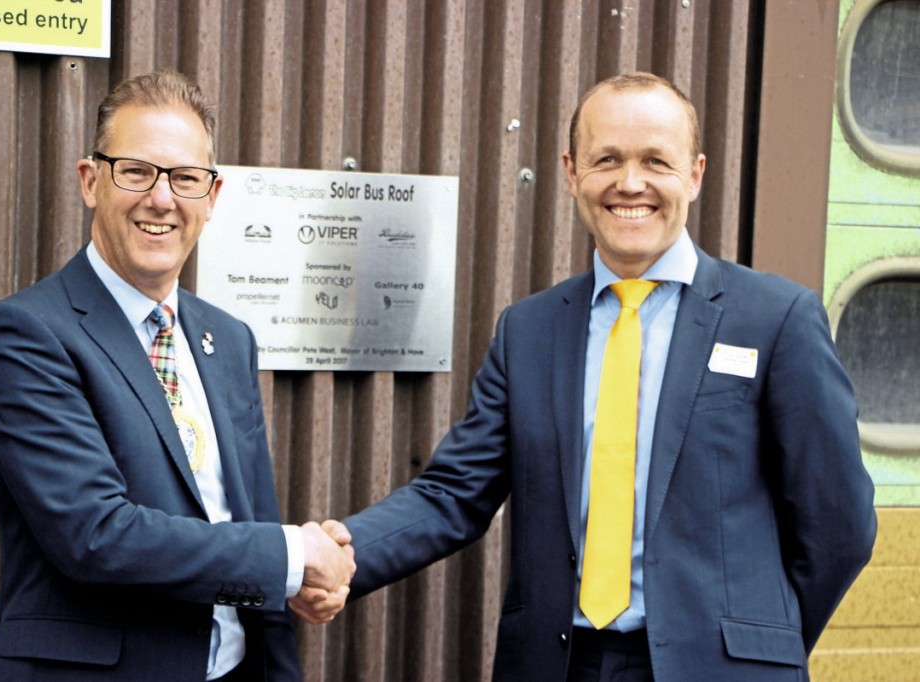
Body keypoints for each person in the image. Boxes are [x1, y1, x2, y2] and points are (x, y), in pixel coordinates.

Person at [291, 72, 876, 681]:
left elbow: (841, 522)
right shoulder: (530, 331)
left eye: (656, 161)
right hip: (559, 664)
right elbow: (453, 494)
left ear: (696, 175)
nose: (630, 183)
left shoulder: (775, 319)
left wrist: (765, 642)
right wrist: (338, 556)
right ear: (572, 173)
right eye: (607, 160)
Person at [0, 70, 354, 682]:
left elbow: (242, 516)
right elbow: (95, 534)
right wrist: (291, 555)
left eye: (185, 178)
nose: (162, 198)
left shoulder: (227, 339)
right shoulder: (23, 335)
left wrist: (292, 581)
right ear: (91, 181)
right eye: (137, 171)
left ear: (212, 196)